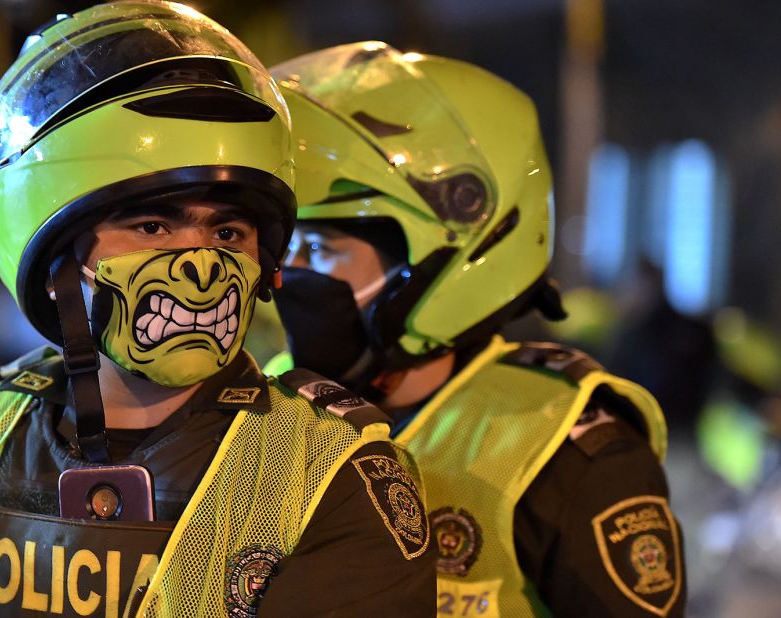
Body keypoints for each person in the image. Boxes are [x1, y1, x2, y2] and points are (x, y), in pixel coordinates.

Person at [0, 9, 436, 617]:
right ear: (52, 256)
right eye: (153, 226)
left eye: (229, 232)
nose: (201, 265)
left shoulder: (331, 481)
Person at [267, 42, 686, 616]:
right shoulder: (269, 406)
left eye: (320, 247)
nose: (291, 274)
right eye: (289, 246)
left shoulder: (562, 454)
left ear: (448, 256)